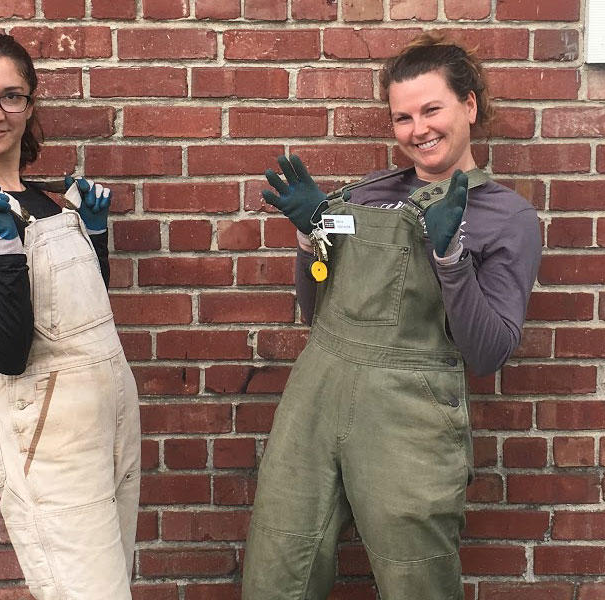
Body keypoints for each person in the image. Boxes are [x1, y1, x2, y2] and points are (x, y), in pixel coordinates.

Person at [242, 32, 542, 599]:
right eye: (402, 117)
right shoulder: (367, 195)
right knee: (278, 566)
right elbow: (315, 311)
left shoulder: (508, 217)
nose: (418, 129)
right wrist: (310, 235)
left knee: (417, 580)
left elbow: (488, 353)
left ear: (470, 105)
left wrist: (450, 257)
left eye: (432, 109)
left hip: (411, 410)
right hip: (317, 391)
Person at [0, 34, 140, 600]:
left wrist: (94, 235)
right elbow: (7, 348)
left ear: (30, 104)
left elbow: (80, 313)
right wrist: (5, 249)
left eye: (11, 97)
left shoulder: (46, 201)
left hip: (107, 422)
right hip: (47, 436)